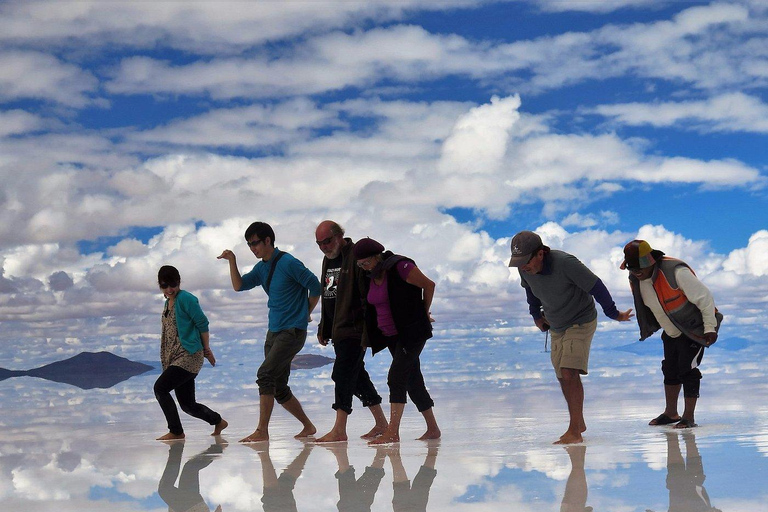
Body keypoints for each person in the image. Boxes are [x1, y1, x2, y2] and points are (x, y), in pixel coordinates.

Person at [508, 231, 633, 444]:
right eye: (518, 263)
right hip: (556, 324)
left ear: (540, 254)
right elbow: (530, 292)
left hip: (581, 320)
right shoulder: (524, 269)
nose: (523, 267)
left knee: (569, 372)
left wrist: (613, 313)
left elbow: (596, 286)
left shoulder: (565, 263)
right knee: (561, 375)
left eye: (525, 261)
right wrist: (536, 316)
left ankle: (574, 431)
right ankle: (579, 422)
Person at [218, 222, 322, 442]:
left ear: (268, 241)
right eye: (249, 245)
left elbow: (315, 285)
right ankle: (308, 426)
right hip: (273, 332)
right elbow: (239, 286)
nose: (252, 248)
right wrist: (233, 261)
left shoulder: (288, 263)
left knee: (265, 375)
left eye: (255, 243)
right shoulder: (262, 268)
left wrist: (305, 312)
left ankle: (261, 431)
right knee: (279, 387)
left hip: (292, 331)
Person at [621, 240, 722, 429]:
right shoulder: (636, 278)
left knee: (687, 369)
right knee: (669, 369)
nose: (636, 271)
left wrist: (709, 327)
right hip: (671, 330)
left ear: (652, 261)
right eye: (633, 267)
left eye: (640, 267)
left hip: (693, 329)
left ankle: (688, 417)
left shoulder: (676, 272)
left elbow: (705, 298)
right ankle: (671, 413)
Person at [353, 238, 440, 444]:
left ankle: (392, 431)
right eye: (360, 265)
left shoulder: (400, 266)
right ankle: (433, 428)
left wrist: (424, 311)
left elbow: (429, 285)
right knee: (413, 380)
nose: (364, 267)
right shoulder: (371, 275)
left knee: (396, 377)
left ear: (377, 257)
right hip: (392, 335)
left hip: (412, 333)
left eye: (366, 263)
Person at [314, 220, 388, 442]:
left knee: (342, 374)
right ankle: (382, 423)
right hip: (337, 329)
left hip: (354, 328)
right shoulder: (328, 260)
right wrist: (323, 327)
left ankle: (339, 429)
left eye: (326, 241)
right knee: (357, 376)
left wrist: (369, 331)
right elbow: (329, 295)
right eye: (319, 244)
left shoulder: (355, 256)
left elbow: (368, 295)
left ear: (338, 236)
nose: (324, 247)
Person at [153, 265, 228, 441]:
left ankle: (176, 431)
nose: (170, 289)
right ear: (160, 286)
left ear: (179, 282)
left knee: (160, 388)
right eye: (165, 286)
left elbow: (202, 324)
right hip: (174, 358)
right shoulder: (167, 303)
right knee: (187, 405)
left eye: (173, 285)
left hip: (189, 355)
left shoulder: (186, 299)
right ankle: (218, 421)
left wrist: (206, 349)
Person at [158, 438, 226, 512]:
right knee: (164, 489)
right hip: (190, 508)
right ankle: (176, 447)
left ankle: (217, 448)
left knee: (190, 468)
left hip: (191, 506)